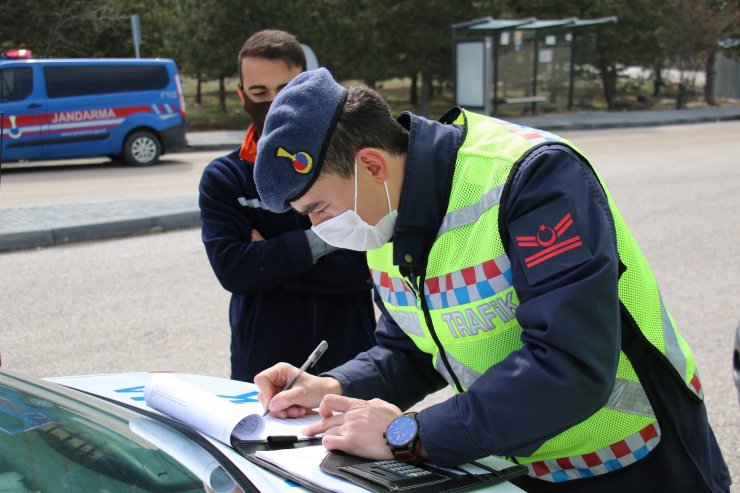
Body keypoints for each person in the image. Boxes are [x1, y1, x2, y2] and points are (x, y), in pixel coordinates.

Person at [251, 68, 731, 493]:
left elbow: (571, 364)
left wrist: (409, 436)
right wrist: (332, 383)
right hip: (516, 463)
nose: (319, 230)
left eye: (318, 209)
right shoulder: (380, 214)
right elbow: (413, 349)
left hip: (636, 459)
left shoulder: (531, 176)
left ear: (371, 165)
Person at [198, 32, 376, 383]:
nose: (274, 102)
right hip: (264, 366)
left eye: (285, 89)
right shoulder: (225, 177)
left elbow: (364, 264)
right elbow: (234, 272)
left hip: (350, 361)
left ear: (306, 86)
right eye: (259, 93)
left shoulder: (349, 164)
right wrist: (328, 241)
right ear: (242, 95)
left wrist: (271, 264)